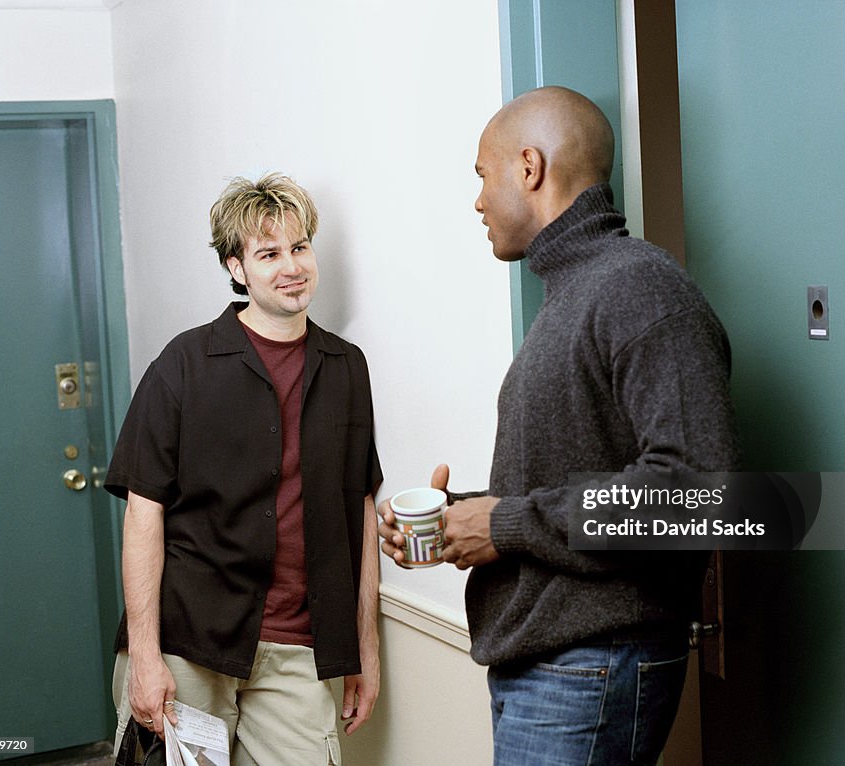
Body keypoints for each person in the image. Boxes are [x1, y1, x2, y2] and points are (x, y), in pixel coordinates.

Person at [379, 86, 739, 765]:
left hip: (590, 669)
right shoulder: (578, 291)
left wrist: (504, 524)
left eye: (482, 177)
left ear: (529, 167)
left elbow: (695, 497)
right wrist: (466, 519)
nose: (478, 201)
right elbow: (574, 476)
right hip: (554, 668)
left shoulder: (639, 288)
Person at [106, 172, 383, 765]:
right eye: (269, 253)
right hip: (190, 640)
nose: (292, 267)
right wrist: (146, 657)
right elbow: (143, 514)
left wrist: (365, 651)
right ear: (237, 268)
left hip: (300, 646)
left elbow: (356, 512)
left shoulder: (345, 366)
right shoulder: (184, 363)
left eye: (300, 247)